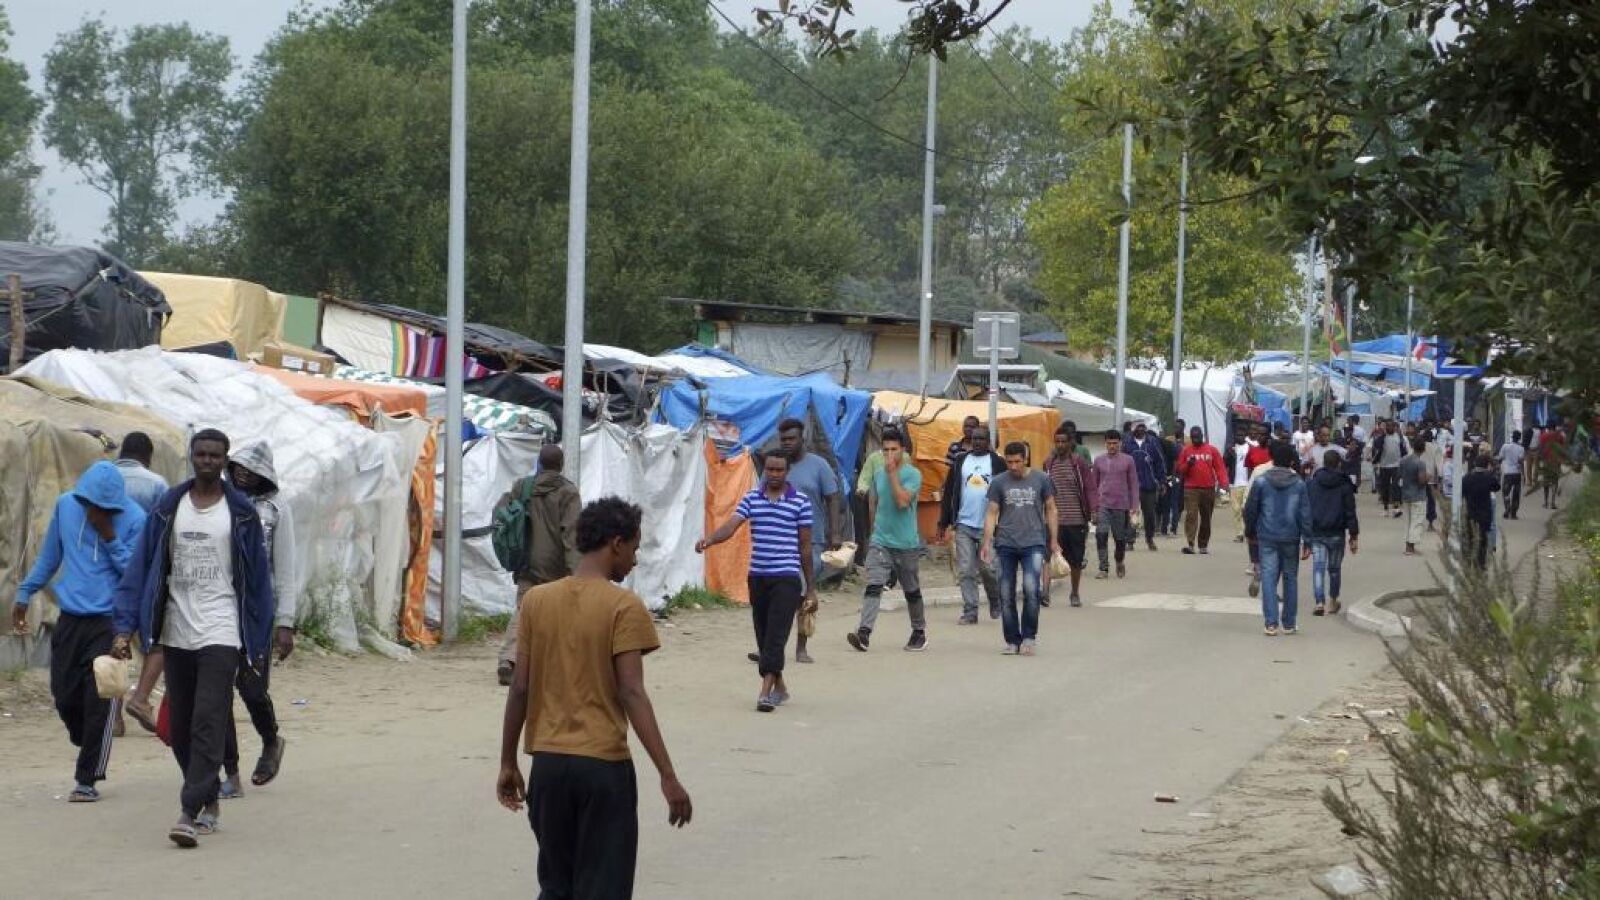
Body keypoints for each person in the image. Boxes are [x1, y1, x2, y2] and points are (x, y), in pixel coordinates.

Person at [497, 497, 692, 897]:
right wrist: (668, 776)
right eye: (634, 548)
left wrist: (507, 761)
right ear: (616, 544)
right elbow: (631, 691)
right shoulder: (624, 606)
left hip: (548, 767)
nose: (634, 560)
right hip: (603, 769)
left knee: (556, 886)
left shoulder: (536, 601)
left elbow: (520, 688)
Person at [110, 429, 278, 848]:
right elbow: (141, 567)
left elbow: (259, 582)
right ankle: (208, 795)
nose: (207, 461)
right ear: (191, 457)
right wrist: (124, 626)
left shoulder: (241, 514)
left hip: (222, 628)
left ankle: (188, 810)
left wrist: (258, 642)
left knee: (208, 719)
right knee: (181, 727)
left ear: (225, 461)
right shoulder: (169, 507)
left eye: (215, 456)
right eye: (201, 454)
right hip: (175, 630)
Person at [12, 461, 145, 802]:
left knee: (100, 700)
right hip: (70, 618)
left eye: (106, 508)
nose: (96, 511)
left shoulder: (135, 519)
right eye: (91, 505)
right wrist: (25, 593)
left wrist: (109, 534)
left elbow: (134, 573)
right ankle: (87, 738)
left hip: (110, 622)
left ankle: (87, 779)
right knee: (64, 694)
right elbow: (49, 557)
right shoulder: (66, 506)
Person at [698, 452, 815, 711]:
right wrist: (710, 540)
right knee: (763, 636)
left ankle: (764, 693)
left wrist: (811, 589)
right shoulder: (752, 498)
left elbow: (805, 547)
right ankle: (780, 687)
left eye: (779, 470)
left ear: (787, 471)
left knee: (775, 635)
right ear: (765, 470)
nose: (774, 474)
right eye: (770, 469)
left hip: (787, 577)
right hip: (758, 577)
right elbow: (732, 525)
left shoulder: (801, 502)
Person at [218, 441, 297, 797]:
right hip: (218, 607)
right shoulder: (219, 500)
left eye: (251, 469)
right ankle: (230, 772)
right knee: (218, 692)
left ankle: (270, 740)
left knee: (251, 688)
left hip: (256, 611)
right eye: (239, 467)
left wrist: (286, 622)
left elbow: (286, 567)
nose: (244, 474)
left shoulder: (276, 508)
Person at [497, 445, 584, 685]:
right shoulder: (568, 492)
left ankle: (508, 660)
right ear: (561, 465)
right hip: (555, 565)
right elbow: (572, 534)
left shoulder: (522, 487)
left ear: (540, 463)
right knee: (562, 614)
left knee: (523, 611)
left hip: (526, 561)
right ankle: (562, 664)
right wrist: (575, 572)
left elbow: (502, 515)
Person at [847, 429, 926, 653]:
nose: (889, 454)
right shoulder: (879, 473)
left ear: (903, 450)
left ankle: (919, 631)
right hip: (881, 540)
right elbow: (875, 503)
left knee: (911, 590)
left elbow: (902, 502)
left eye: (894, 450)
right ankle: (864, 633)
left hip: (906, 543)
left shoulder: (912, 475)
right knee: (874, 584)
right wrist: (873, 532)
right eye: (885, 450)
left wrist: (892, 475)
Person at [982, 442, 1057, 655]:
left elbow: (1051, 509)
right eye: (1009, 462)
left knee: (1031, 589)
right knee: (1006, 593)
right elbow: (991, 513)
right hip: (1005, 543)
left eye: (1017, 461)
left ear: (1025, 459)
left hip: (1033, 542)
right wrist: (986, 542)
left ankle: (1029, 638)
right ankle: (1012, 640)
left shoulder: (1041, 479)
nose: (1013, 466)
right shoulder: (998, 482)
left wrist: (1054, 540)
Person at [937, 427, 1002, 624]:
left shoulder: (997, 462)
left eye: (981, 439)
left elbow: (1005, 492)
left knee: (988, 568)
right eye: (974, 438)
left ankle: (994, 598)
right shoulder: (960, 461)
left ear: (988, 441)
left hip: (988, 526)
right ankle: (970, 611)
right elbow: (950, 491)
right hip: (964, 523)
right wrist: (944, 521)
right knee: (965, 570)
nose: (977, 442)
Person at [1244, 442, 1311, 636]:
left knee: (1268, 577)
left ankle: (1271, 623)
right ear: (1291, 462)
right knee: (1290, 578)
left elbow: (1251, 509)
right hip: (1291, 537)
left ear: (1272, 460)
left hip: (1267, 536)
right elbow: (1305, 513)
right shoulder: (1299, 484)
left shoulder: (1261, 482)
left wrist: (1250, 531)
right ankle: (1289, 623)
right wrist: (1307, 540)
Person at [1045, 425, 1097, 607]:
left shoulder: (1078, 463)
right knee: (1049, 556)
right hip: (1054, 521)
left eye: (1063, 442)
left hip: (1076, 520)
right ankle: (1045, 593)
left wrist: (1094, 510)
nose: (1060, 445)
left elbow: (1090, 487)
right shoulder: (1049, 464)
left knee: (1075, 560)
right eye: (1057, 441)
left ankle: (1074, 593)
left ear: (1070, 443)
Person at [1306, 449, 1359, 616]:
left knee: (1318, 568)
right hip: (1337, 532)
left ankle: (1319, 602)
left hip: (1317, 531)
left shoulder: (1312, 484)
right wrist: (1354, 535)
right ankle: (1333, 600)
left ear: (1324, 463)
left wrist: (1305, 534)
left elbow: (1306, 509)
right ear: (1338, 464)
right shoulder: (1344, 485)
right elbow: (1350, 511)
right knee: (1334, 569)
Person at [1092, 430, 1139, 580]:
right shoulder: (1098, 460)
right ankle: (1103, 568)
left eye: (1115, 443)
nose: (1112, 446)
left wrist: (1134, 507)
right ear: (1105, 444)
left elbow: (1133, 485)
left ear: (1120, 444)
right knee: (1101, 535)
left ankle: (1119, 561)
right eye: (1109, 443)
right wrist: (1093, 508)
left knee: (1119, 539)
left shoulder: (1128, 460)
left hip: (1121, 505)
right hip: (1103, 504)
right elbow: (1094, 485)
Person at [1175, 426, 1227, 555]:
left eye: (1197, 437)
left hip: (1208, 488)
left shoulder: (1211, 450)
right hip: (1191, 488)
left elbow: (1220, 468)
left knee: (1206, 517)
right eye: (1193, 437)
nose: (1195, 440)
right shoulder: (1186, 450)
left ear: (1202, 436)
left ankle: (1203, 545)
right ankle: (1190, 544)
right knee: (1191, 515)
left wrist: (1223, 484)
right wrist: (1188, 464)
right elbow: (1180, 469)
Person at [1124, 421, 1168, 551]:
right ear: (1133, 429)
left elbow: (1160, 463)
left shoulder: (1152, 442)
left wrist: (1162, 482)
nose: (1141, 429)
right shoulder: (1127, 443)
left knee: (1149, 515)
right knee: (1132, 514)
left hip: (1149, 485)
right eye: (1138, 427)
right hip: (1131, 486)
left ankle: (1149, 539)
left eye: (1143, 427)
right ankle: (1130, 541)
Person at [1461, 456, 1501, 569]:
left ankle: (1468, 562)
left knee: (1470, 537)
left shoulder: (1467, 478)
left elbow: (1462, 492)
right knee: (1483, 539)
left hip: (1471, 513)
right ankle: (1480, 563)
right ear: (1487, 465)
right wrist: (1491, 473)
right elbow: (1497, 487)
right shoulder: (1489, 478)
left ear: (1475, 464)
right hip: (1484, 514)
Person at [114, 432, 169, 514]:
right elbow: (165, 517)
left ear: (121, 453)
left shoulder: (101, 476)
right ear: (148, 456)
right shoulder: (158, 483)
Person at [1398, 436, 1432, 556]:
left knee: (1407, 521)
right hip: (1418, 495)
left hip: (1406, 494)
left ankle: (1407, 545)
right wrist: (1428, 477)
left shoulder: (1403, 460)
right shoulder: (1420, 463)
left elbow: (1399, 475)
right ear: (1423, 449)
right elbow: (1421, 480)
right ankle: (1411, 547)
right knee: (1417, 521)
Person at [1223, 429, 1256, 542]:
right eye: (1237, 435)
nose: (1239, 437)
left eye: (1242, 435)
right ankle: (1239, 533)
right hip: (1234, 484)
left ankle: (1248, 531)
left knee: (1245, 509)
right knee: (1236, 510)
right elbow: (1224, 464)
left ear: (1245, 436)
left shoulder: (1251, 448)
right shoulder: (1231, 449)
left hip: (1248, 483)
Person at [1371, 420, 1407, 516]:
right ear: (1385, 428)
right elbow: (1376, 445)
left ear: (1394, 428)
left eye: (1391, 426)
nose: (1390, 428)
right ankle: (1386, 509)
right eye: (1388, 426)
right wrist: (1375, 461)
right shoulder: (1382, 438)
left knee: (1396, 487)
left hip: (1396, 466)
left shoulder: (1399, 437)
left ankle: (1396, 508)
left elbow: (1404, 451)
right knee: (1385, 488)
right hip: (1384, 466)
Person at [1159, 421, 1184, 537]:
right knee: (1168, 503)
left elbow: (1175, 461)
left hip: (1173, 478)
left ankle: (1171, 529)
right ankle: (1167, 529)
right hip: (1171, 477)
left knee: (1171, 503)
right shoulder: (1168, 444)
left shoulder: (1169, 445)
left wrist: (1172, 477)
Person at [1538, 425, 1567, 509]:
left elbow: (1541, 448)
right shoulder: (1560, 436)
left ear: (1548, 428)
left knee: (1546, 482)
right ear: (1555, 428)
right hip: (1556, 461)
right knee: (1554, 481)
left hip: (1546, 461)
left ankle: (1545, 503)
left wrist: (1541, 459)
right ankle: (1553, 503)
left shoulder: (1543, 436)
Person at [1498, 431, 1525, 520]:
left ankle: (1507, 508)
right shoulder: (1521, 449)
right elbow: (1520, 461)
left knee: (1506, 492)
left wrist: (1498, 468)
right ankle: (1513, 513)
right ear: (1519, 438)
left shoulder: (1505, 446)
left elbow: (1500, 458)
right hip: (1517, 473)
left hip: (1507, 473)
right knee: (1516, 494)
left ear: (1512, 437)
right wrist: (1523, 474)